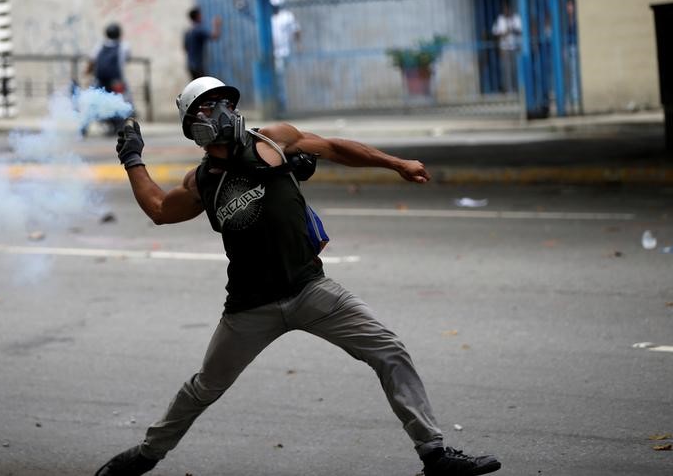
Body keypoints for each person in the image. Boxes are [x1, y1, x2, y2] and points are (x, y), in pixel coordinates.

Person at [93, 76, 502, 476]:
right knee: (204, 387)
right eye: (210, 106)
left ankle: (434, 455)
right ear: (194, 126)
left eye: (227, 102)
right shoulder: (201, 181)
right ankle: (146, 455)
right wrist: (133, 158)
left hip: (310, 289)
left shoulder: (272, 140)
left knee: (389, 350)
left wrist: (394, 164)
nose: (224, 111)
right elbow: (161, 209)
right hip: (249, 308)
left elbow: (335, 148)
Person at [84, 22, 132, 135]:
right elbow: (127, 58)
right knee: (123, 101)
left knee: (93, 102)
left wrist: (87, 73)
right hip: (117, 80)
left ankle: (84, 126)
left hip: (100, 80)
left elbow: (92, 61)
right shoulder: (124, 46)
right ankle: (121, 125)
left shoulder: (100, 45)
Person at [270, 0, 300, 112]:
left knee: (279, 79)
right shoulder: (268, 17)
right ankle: (278, 104)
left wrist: (297, 45)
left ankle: (281, 105)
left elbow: (296, 30)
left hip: (283, 52)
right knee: (276, 80)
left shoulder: (287, 16)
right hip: (271, 54)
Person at [183, 6, 222, 80]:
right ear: (197, 16)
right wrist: (216, 25)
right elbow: (214, 36)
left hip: (190, 65)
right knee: (204, 87)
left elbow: (185, 48)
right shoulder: (199, 29)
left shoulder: (188, 32)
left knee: (197, 87)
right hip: (198, 65)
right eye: (201, 15)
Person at [492, 1, 522, 93]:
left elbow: (521, 31)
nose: (506, 11)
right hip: (504, 48)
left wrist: (512, 29)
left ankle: (517, 88)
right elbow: (495, 33)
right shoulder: (500, 19)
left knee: (515, 69)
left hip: (514, 47)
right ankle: (508, 90)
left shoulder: (516, 18)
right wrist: (505, 33)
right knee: (506, 70)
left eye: (507, 9)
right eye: (504, 9)